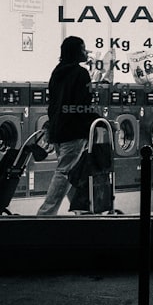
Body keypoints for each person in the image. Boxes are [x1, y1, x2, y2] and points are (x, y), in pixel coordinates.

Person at [37, 36, 101, 216]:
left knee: (71, 172)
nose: (85, 52)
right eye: (83, 48)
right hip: (74, 130)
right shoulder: (81, 73)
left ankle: (83, 210)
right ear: (75, 52)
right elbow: (83, 104)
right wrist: (100, 121)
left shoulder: (57, 71)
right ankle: (45, 214)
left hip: (59, 129)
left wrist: (52, 127)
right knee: (65, 173)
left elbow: (53, 103)